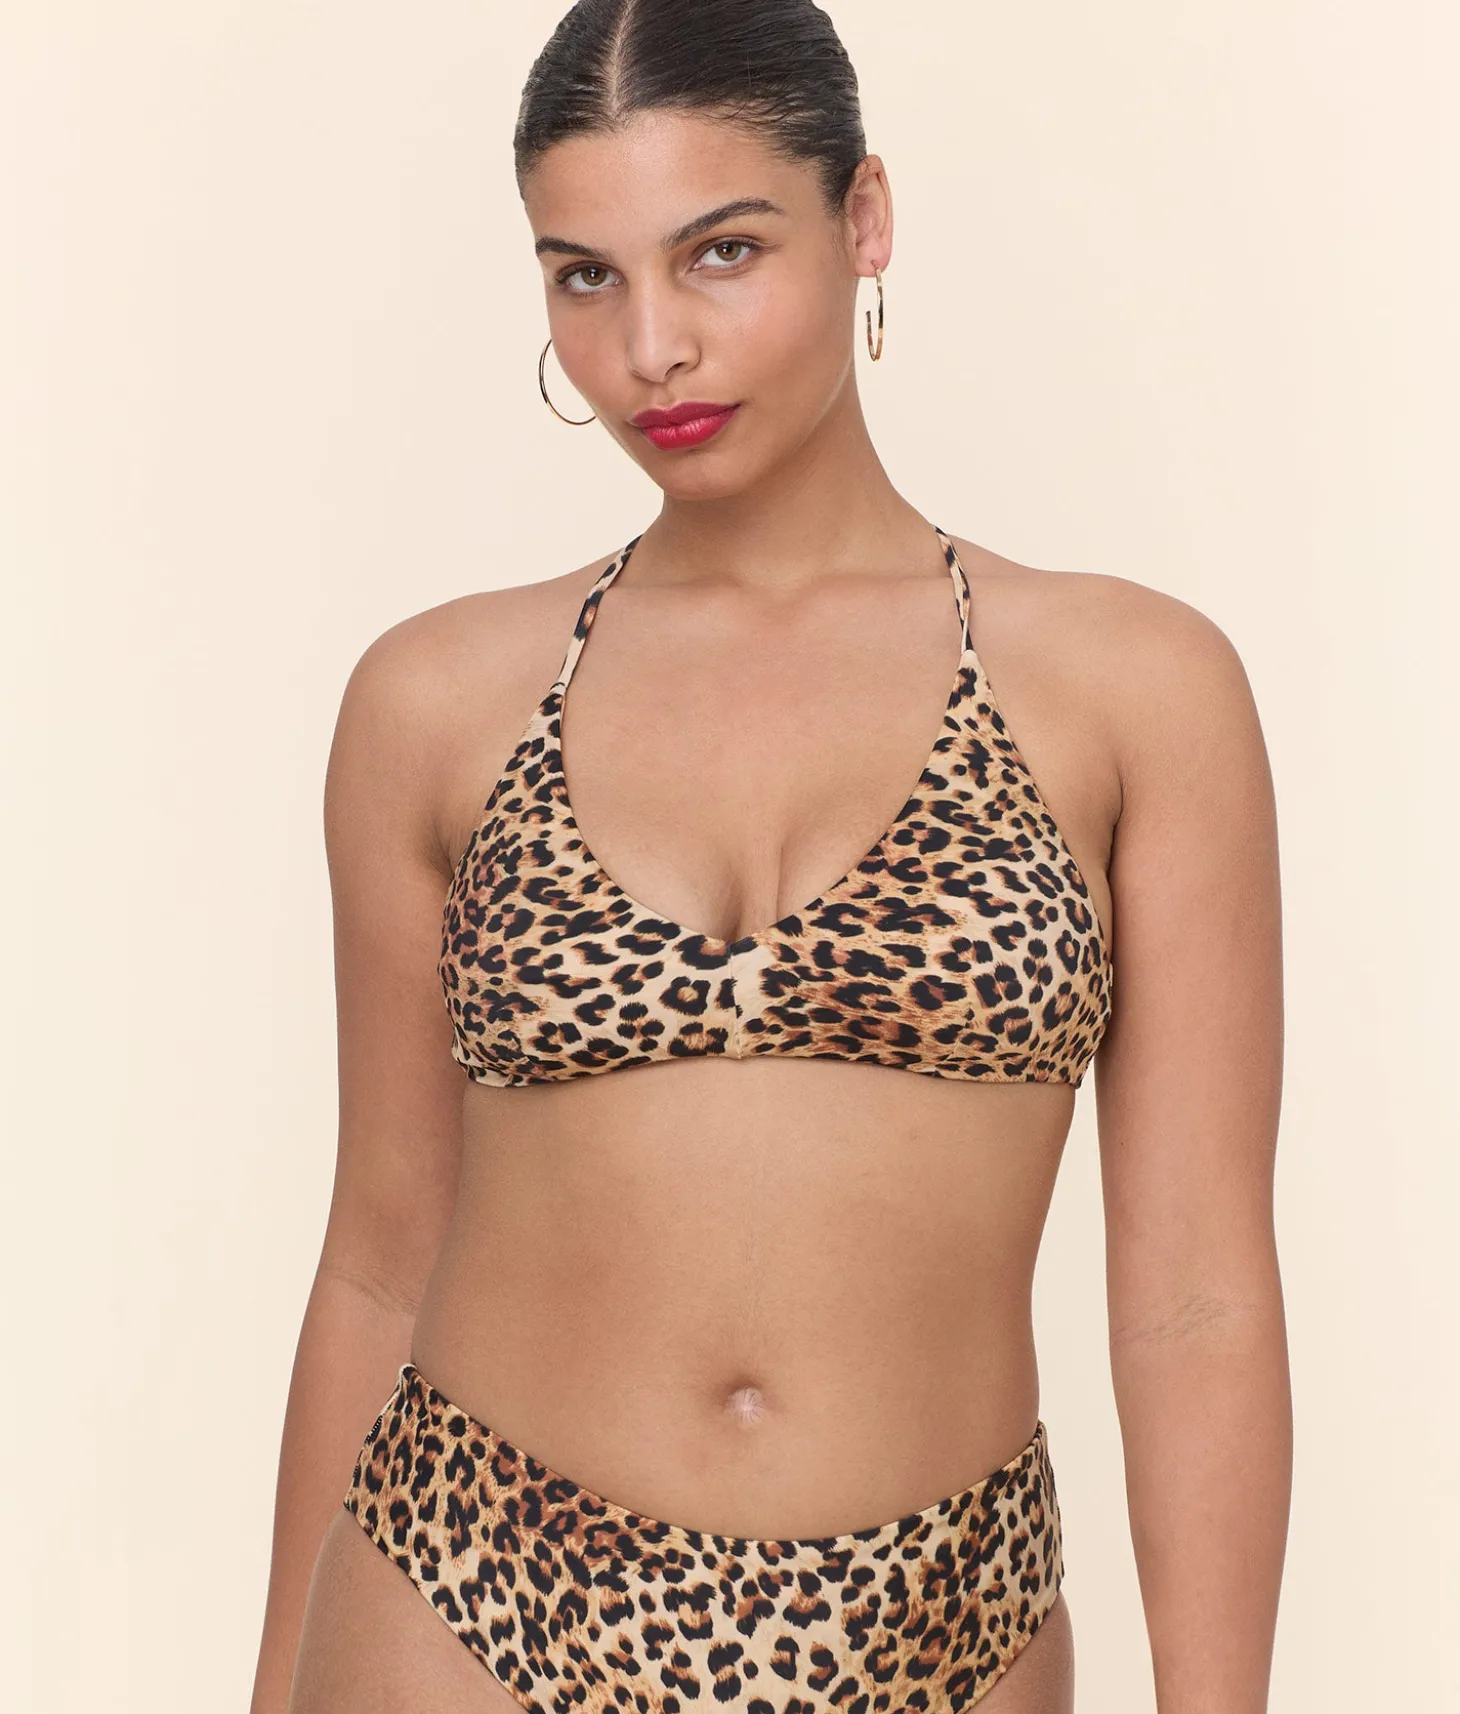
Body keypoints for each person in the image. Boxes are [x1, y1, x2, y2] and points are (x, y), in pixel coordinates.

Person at [254, 3, 1291, 1710]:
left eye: (720, 252)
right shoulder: (436, 700)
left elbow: (1196, 1298)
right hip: (467, 1591)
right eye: (584, 276)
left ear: (863, 216)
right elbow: (379, 1251)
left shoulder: (1132, 688)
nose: (651, 346)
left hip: (936, 1627)